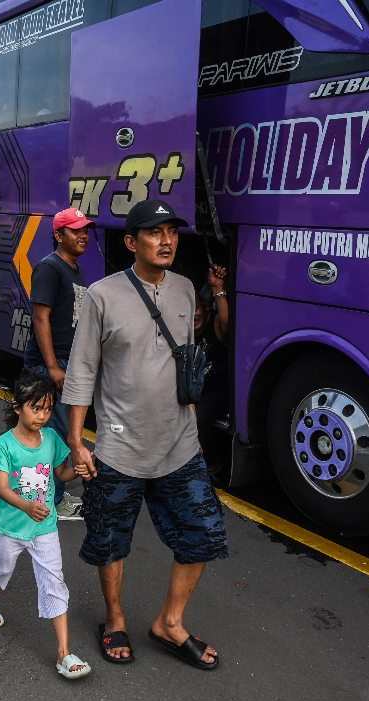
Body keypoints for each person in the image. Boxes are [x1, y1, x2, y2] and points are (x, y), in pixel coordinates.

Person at [63, 198, 228, 670]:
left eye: (172, 231)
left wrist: (193, 419)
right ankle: (114, 619)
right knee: (110, 540)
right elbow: (81, 372)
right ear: (132, 243)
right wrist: (77, 441)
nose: (167, 240)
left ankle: (169, 623)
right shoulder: (101, 295)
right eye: (155, 233)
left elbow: (187, 361)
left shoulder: (183, 290)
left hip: (178, 444)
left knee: (203, 533)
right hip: (117, 447)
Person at [0, 370, 93, 680]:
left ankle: (64, 654)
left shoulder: (51, 439)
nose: (42, 415)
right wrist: (27, 506)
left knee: (54, 582)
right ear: (17, 407)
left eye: (48, 408)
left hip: (45, 527)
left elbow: (60, 475)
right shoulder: (4, 446)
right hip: (11, 525)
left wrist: (78, 470)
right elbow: (2, 489)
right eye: (35, 408)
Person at [23, 207, 93, 522]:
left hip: (69, 361)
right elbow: (41, 317)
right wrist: (52, 367)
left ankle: (49, 494)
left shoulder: (74, 269)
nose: (83, 235)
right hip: (50, 364)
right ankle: (50, 502)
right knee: (52, 432)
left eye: (85, 230)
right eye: (76, 230)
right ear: (58, 235)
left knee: (60, 431)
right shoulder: (49, 268)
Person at [194, 264, 231, 487]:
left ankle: (210, 464)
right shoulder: (180, 328)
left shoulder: (214, 321)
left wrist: (218, 289)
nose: (193, 315)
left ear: (205, 308)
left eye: (197, 308)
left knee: (196, 419)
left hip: (218, 388)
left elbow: (229, 326)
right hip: (196, 387)